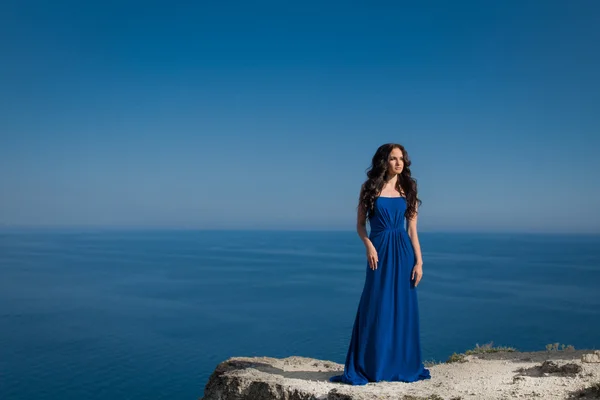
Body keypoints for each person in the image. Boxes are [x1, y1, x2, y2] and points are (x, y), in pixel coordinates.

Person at [329, 143, 431, 385]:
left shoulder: (409, 188)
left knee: (403, 307)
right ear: (383, 161)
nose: (398, 162)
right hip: (378, 252)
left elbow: (412, 230)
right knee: (376, 305)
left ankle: (401, 364)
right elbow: (360, 226)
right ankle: (373, 364)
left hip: (403, 252)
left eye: (401, 158)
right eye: (393, 158)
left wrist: (419, 261)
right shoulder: (369, 188)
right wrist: (368, 245)